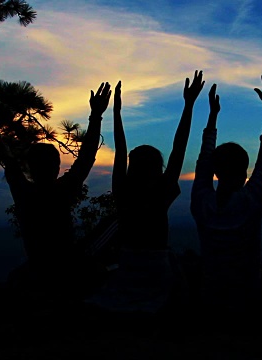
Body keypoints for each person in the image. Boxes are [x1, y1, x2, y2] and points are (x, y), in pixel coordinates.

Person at [85, 72, 205, 325]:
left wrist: (114, 112)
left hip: (129, 265)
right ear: (158, 168)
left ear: (132, 167)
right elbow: (179, 146)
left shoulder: (123, 190)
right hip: (156, 267)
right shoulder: (161, 191)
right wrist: (189, 104)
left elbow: (119, 148)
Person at [4, 82, 112, 298]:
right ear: (56, 167)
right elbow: (86, 157)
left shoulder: (24, 193)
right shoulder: (61, 191)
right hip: (66, 273)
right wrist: (96, 116)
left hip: (40, 272)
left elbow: (9, 158)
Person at [190, 73, 262, 325]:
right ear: (245, 174)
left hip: (209, 300)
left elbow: (204, 160)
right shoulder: (250, 203)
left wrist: (213, 115)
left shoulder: (201, 202)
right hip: (248, 301)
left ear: (216, 173)